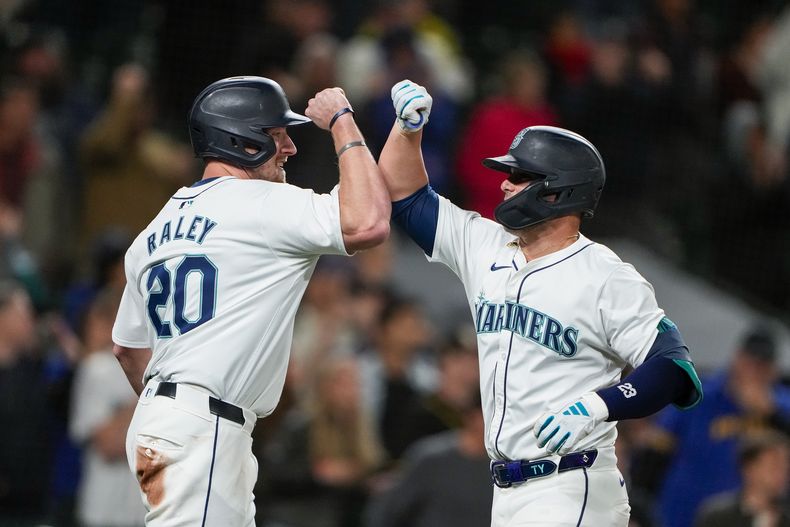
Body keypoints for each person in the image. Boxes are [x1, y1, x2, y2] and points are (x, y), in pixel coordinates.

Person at [376, 79, 703, 526]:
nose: (506, 185)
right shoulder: (485, 246)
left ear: (557, 190)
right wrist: (407, 131)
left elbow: (673, 367)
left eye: (520, 175)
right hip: (507, 490)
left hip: (571, 482)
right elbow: (406, 198)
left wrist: (597, 406)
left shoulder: (605, 276)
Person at [111, 76, 390, 525]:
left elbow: (128, 350)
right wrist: (341, 119)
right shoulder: (263, 203)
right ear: (242, 141)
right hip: (203, 425)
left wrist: (171, 407)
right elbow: (369, 221)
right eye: (277, 135)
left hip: (177, 420)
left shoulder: (152, 232)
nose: (289, 148)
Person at [653, 324, 790, 527]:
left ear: (772, 370)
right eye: (750, 363)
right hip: (683, 510)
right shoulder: (701, 394)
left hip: (750, 513)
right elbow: (656, 448)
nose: (754, 372)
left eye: (762, 366)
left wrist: (773, 415)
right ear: (738, 359)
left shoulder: (781, 404)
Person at [694, 431, 790, 527]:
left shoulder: (786, 518)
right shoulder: (717, 517)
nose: (783, 473)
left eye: (786, 466)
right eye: (774, 466)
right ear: (749, 469)